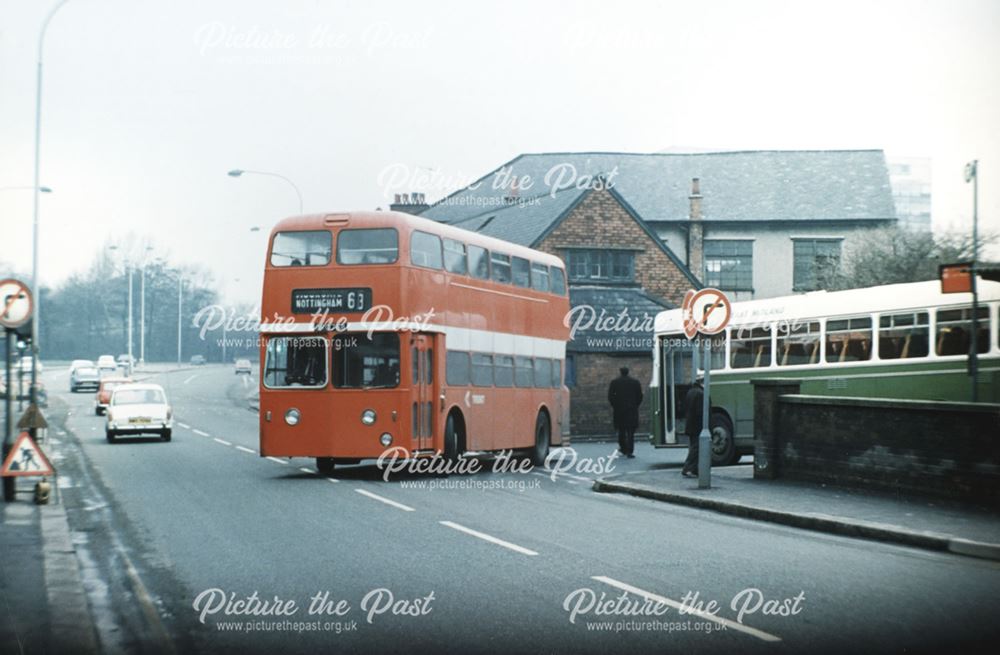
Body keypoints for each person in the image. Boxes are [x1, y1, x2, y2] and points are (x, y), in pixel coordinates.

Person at [608, 366, 643, 458]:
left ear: (620, 372)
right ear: (628, 372)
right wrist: (635, 405)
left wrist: (615, 405)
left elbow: (610, 396)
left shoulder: (614, 383)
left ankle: (623, 448)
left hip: (619, 410)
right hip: (631, 410)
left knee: (621, 430)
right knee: (631, 432)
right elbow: (640, 396)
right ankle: (630, 451)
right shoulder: (635, 382)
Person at [682, 376, 708, 477]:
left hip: (691, 425)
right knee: (696, 449)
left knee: (694, 447)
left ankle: (694, 469)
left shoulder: (691, 392)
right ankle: (688, 468)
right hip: (698, 426)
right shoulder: (700, 394)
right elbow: (700, 412)